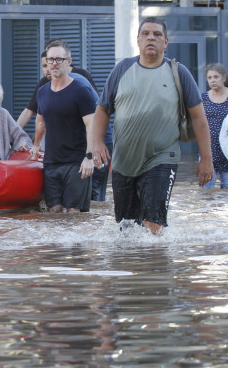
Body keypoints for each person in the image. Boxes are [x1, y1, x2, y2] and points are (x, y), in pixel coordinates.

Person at [92, 17, 213, 234]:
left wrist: (206, 159)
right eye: (146, 33)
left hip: (162, 156)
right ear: (137, 40)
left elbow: (199, 118)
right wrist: (97, 142)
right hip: (124, 160)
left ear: (166, 42)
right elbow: (102, 109)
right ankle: (138, 266)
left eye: (157, 34)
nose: (151, 38)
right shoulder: (122, 69)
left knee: (153, 223)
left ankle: (157, 266)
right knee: (126, 229)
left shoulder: (179, 72)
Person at [29, 40, 97, 213]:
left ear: (69, 62)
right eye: (51, 59)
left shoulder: (81, 90)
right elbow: (40, 121)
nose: (54, 63)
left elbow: (92, 125)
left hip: (77, 162)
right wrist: (36, 145)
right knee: (54, 213)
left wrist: (89, 157)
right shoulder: (42, 91)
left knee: (73, 215)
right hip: (51, 162)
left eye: (59, 59)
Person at [17, 48, 97, 129]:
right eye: (45, 65)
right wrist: (13, 134)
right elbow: (29, 110)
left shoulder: (80, 76)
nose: (49, 68)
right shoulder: (44, 83)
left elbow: (97, 105)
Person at [202, 63, 228, 188]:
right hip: (208, 151)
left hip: (227, 150)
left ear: (224, 78)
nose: (212, 80)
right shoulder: (203, 98)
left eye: (216, 77)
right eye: (209, 77)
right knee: (205, 192)